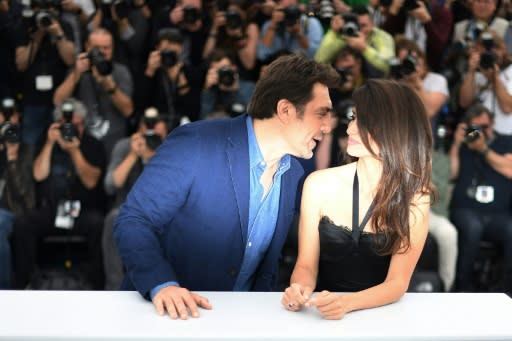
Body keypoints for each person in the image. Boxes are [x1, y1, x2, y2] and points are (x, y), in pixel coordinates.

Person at [114, 52, 340, 319]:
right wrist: (163, 285)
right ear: (286, 110)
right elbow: (134, 220)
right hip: (170, 319)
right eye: (321, 113)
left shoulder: (293, 172)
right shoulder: (196, 143)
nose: (328, 126)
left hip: (240, 323)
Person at [281, 79, 434, 319]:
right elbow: (305, 265)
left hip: (381, 317)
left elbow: (397, 283)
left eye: (363, 123)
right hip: (321, 315)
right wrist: (299, 289)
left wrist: (347, 304)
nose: (350, 129)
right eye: (353, 118)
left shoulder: (416, 198)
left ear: (393, 130)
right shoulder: (318, 184)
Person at [12, 98, 107, 289]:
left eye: (77, 125)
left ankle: (99, 285)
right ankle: (23, 284)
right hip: (52, 210)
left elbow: (91, 181)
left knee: (99, 224)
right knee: (23, 224)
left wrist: (74, 152)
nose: (72, 130)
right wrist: (49, 143)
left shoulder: (93, 144)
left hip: (83, 212)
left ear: (83, 124)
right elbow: (38, 175)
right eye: (67, 125)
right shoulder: (46, 140)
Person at [448, 103, 512, 293]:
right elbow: (452, 174)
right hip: (466, 210)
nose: (480, 132)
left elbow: (509, 170)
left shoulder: (506, 142)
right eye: (475, 128)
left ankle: (507, 291)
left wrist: (483, 149)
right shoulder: (463, 144)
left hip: (498, 213)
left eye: (485, 127)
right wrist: (456, 145)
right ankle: (463, 289)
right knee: (473, 228)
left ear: (492, 125)